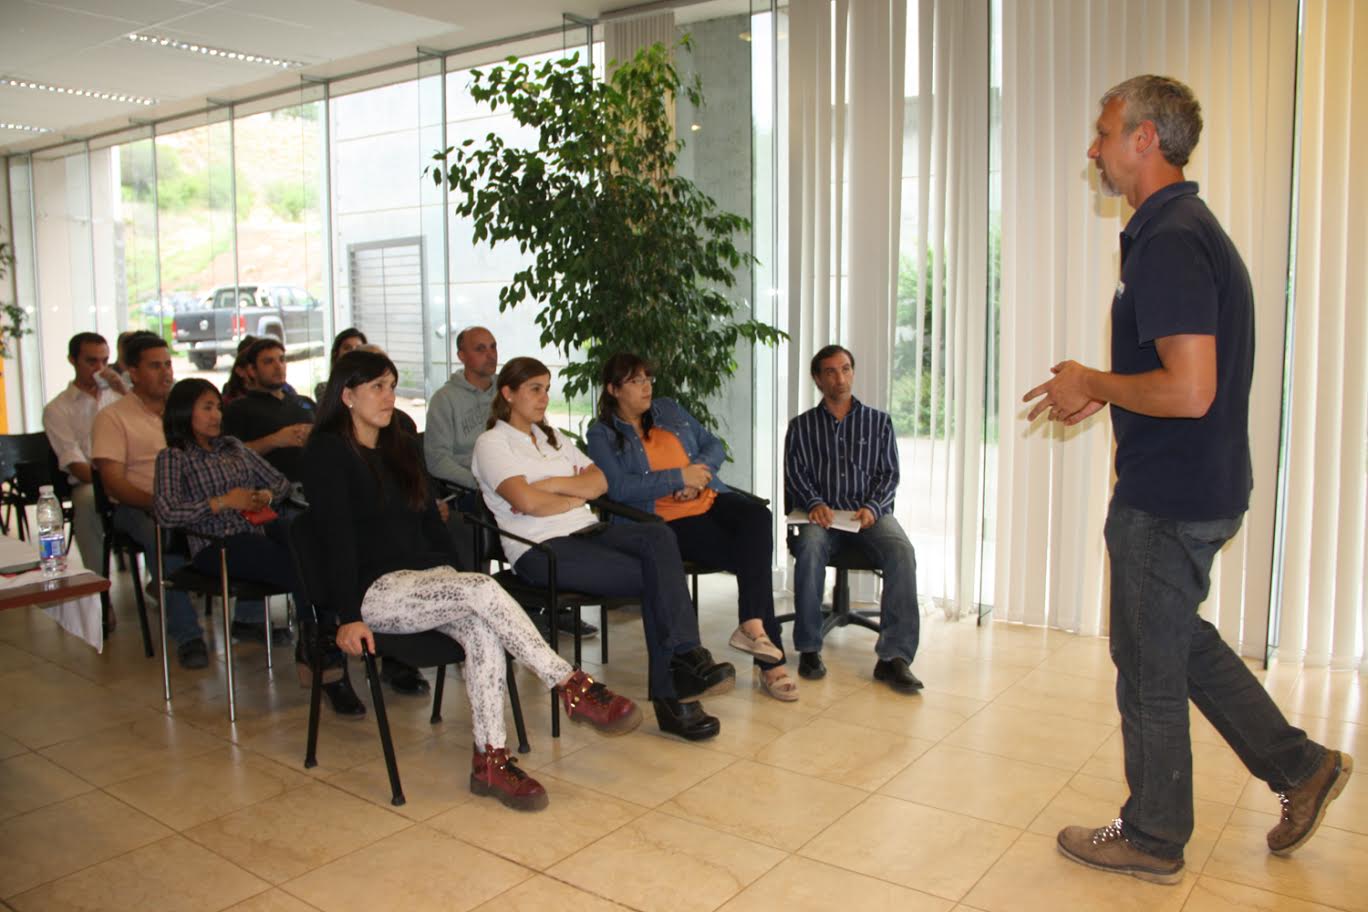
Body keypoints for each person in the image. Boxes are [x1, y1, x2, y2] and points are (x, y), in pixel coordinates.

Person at [1024, 75, 1352, 884]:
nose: (1093, 149)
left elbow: (1190, 388)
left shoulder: (1170, 237)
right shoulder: (1178, 229)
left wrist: (1095, 383)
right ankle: (1301, 765)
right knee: (1170, 640)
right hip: (1196, 484)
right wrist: (1104, 390)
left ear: (1145, 140)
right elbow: (1177, 381)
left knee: (1148, 666)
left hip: (1167, 499)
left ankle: (1154, 835)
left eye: (1104, 133)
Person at [302, 349, 641, 810]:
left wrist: (446, 572)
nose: (389, 397)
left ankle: (491, 761)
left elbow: (429, 525)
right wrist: (345, 615)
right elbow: (333, 539)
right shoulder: (327, 453)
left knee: (483, 627)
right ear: (346, 395)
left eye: (392, 386)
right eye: (377, 387)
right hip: (373, 594)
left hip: (426, 583)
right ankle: (571, 686)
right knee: (483, 587)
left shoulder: (399, 445)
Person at [471, 357, 736, 741]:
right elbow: (526, 502)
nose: (544, 397)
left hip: (587, 529)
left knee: (659, 535)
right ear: (508, 394)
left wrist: (548, 487)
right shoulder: (491, 443)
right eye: (534, 389)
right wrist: (566, 492)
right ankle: (675, 695)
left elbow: (600, 482)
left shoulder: (552, 436)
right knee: (656, 578)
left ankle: (685, 657)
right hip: (540, 549)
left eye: (546, 388)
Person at [587, 353, 795, 701]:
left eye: (648, 378)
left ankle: (752, 626)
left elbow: (714, 445)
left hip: (710, 497)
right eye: (636, 381)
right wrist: (676, 478)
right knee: (752, 558)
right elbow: (619, 488)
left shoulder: (668, 409)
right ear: (613, 389)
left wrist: (697, 474)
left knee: (757, 516)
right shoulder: (602, 433)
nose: (646, 387)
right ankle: (770, 661)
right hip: (663, 521)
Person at [91, 334, 267, 669]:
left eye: (168, 364)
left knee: (249, 520)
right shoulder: (113, 417)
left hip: (204, 501)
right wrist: (165, 506)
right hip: (137, 505)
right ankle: (188, 636)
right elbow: (113, 482)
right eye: (155, 366)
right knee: (166, 534)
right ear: (132, 372)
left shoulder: (189, 410)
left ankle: (249, 617)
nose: (166, 372)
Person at [784, 344, 923, 692]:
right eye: (830, 371)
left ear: (853, 373)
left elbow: (889, 474)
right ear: (818, 379)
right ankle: (809, 648)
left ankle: (894, 658)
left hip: (868, 515)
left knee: (902, 552)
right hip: (822, 516)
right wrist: (815, 503)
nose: (840, 378)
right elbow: (795, 474)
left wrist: (873, 508)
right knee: (811, 549)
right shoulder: (801, 427)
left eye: (845, 369)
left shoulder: (879, 422)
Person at [43, 332, 126, 585]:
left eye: (105, 361)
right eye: (91, 361)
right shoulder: (58, 408)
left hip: (130, 474)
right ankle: (99, 586)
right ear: (72, 360)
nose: (99, 369)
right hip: (92, 481)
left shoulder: (119, 396)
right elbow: (75, 464)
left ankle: (164, 583)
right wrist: (110, 482)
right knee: (88, 501)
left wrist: (122, 388)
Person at [222, 338, 316, 481]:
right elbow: (228, 458)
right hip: (272, 493)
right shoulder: (239, 409)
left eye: (282, 360)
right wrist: (275, 440)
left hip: (317, 484)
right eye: (268, 362)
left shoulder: (305, 402)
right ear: (252, 370)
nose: (278, 367)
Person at [424, 326, 498, 490]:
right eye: (480, 349)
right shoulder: (444, 400)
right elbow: (437, 461)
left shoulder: (507, 389)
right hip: (473, 489)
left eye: (493, 347)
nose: (491, 355)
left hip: (513, 475)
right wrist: (481, 485)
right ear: (461, 356)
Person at [314, 328, 367, 403]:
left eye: (358, 349)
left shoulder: (372, 388)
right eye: (347, 348)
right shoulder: (324, 389)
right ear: (336, 354)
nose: (353, 352)